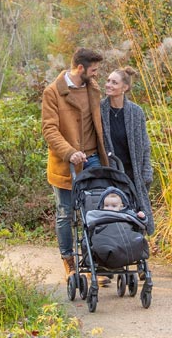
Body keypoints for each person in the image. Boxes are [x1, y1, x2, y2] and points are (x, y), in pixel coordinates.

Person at [41, 48, 110, 277]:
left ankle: (94, 260)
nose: (96, 74)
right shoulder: (53, 93)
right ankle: (69, 261)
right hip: (66, 164)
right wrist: (69, 152)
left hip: (93, 160)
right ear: (80, 68)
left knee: (96, 210)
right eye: (94, 70)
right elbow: (49, 130)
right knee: (66, 213)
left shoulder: (93, 89)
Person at [101, 66, 155, 234]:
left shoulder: (136, 112)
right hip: (110, 171)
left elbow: (145, 145)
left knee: (135, 214)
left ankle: (134, 247)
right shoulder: (99, 110)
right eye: (108, 81)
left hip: (133, 172)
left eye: (114, 82)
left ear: (125, 88)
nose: (108, 85)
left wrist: (146, 171)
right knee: (112, 212)